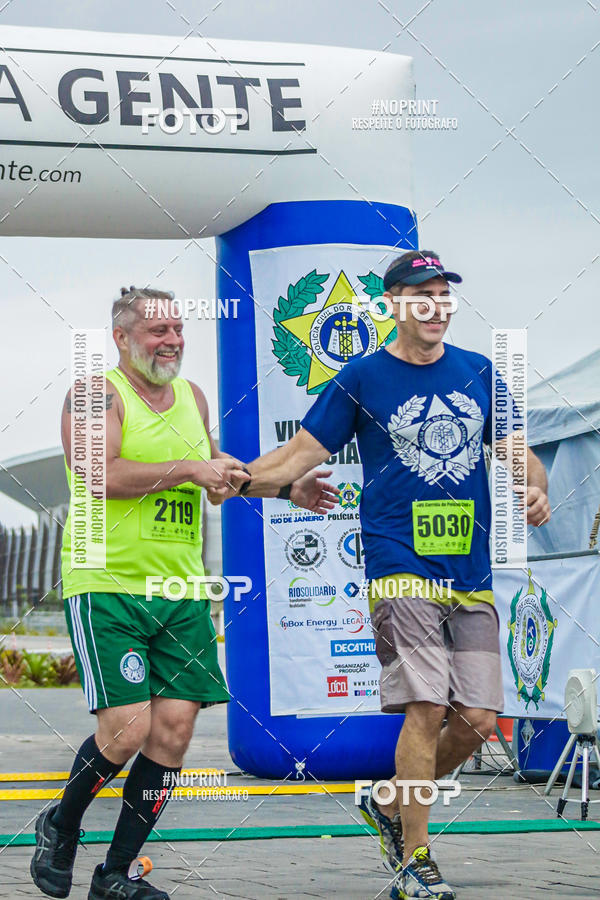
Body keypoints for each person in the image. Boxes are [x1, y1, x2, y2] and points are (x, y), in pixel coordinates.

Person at [212, 251, 551, 900]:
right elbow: (298, 455)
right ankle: (416, 859)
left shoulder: (480, 371)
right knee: (426, 706)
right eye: (421, 294)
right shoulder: (361, 378)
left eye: (443, 295)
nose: (435, 306)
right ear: (393, 304)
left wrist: (534, 487)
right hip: (398, 565)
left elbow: (520, 456)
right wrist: (239, 480)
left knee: (478, 719)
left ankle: (390, 800)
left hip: (469, 572)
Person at [31, 286, 337, 900]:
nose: (172, 341)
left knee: (172, 733)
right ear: (121, 338)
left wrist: (284, 490)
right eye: (157, 331)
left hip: (180, 589)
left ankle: (115, 874)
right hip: (107, 584)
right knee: (126, 731)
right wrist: (192, 470)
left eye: (177, 329)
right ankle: (60, 824)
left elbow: (216, 474)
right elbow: (100, 474)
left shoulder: (192, 397)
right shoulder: (95, 394)